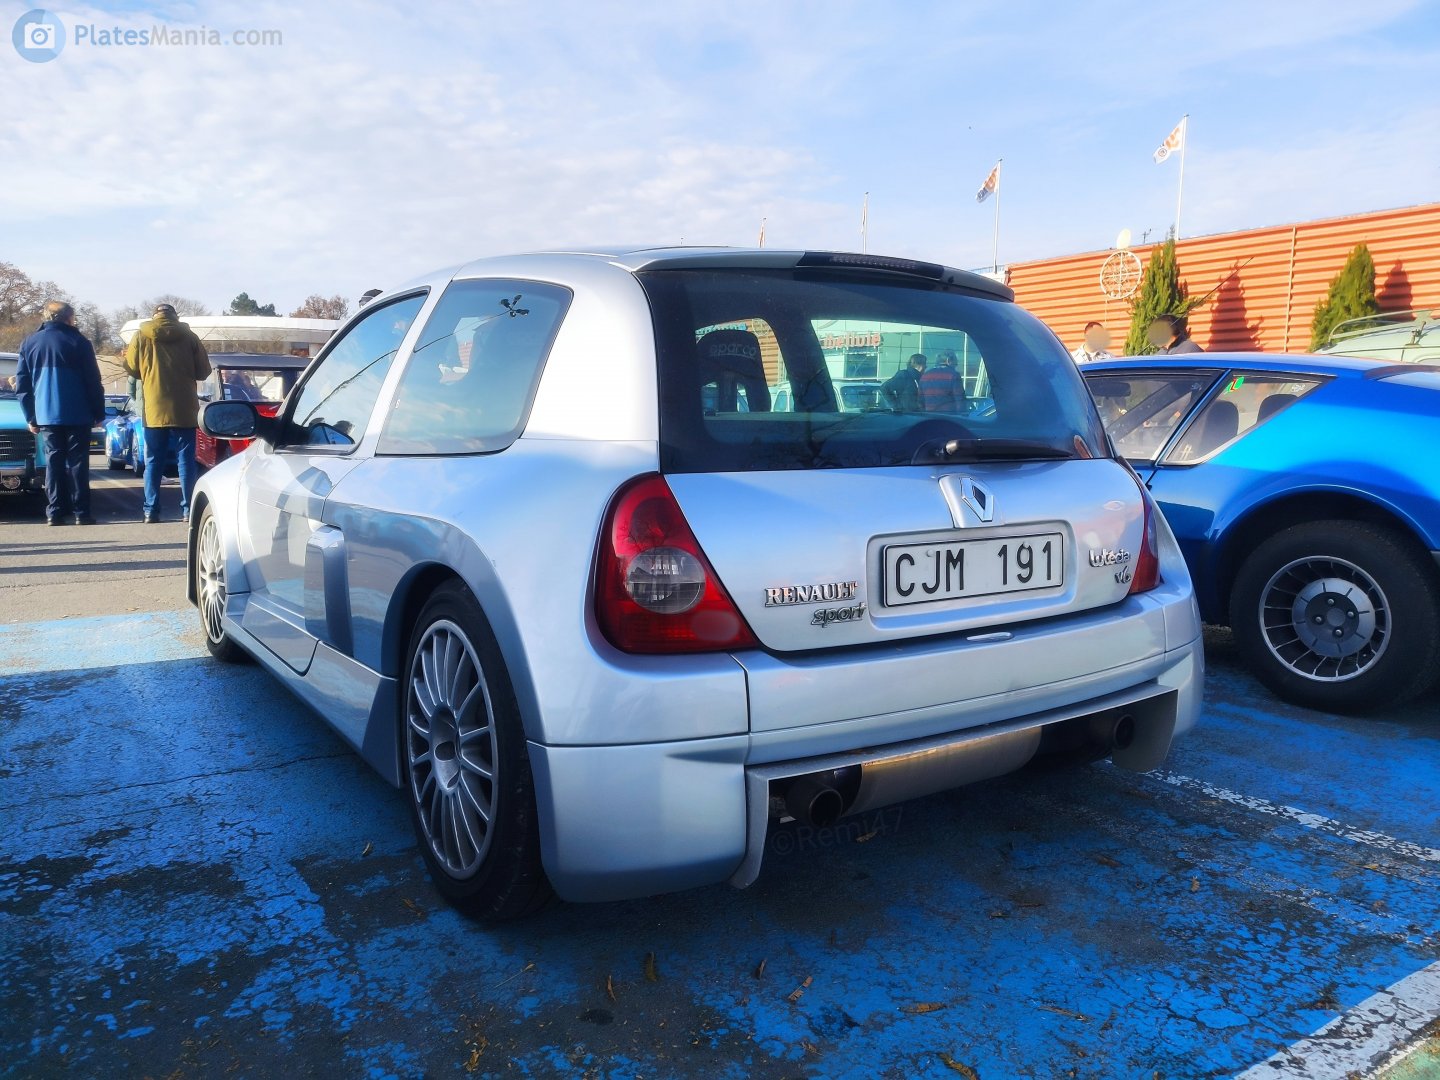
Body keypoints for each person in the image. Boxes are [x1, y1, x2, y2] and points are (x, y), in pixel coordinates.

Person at [15, 301, 105, 526]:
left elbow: (22, 386)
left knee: (53, 463)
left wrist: (30, 416)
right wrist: (98, 411)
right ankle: (81, 512)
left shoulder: (29, 343)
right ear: (69, 318)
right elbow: (93, 381)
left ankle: (54, 511)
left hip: (46, 414)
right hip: (78, 413)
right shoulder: (80, 342)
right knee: (78, 463)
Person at [124, 302, 211, 523]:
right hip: (184, 407)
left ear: (154, 316)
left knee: (153, 460)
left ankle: (150, 510)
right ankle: (188, 510)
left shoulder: (141, 335)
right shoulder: (189, 336)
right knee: (186, 461)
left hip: (153, 407)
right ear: (175, 316)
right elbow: (203, 371)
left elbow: (131, 368)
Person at [919, 348, 967, 413]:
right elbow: (960, 401)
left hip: (929, 417)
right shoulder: (953, 375)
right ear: (948, 360)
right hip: (948, 418)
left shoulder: (925, 376)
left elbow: (920, 401)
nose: (956, 365)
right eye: (955, 362)